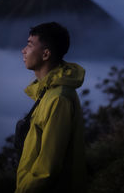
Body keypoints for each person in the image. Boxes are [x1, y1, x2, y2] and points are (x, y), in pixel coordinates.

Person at [15, 22, 86, 193]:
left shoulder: (58, 100)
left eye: (29, 45)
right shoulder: (47, 93)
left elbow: (47, 170)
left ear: (46, 54)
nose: (23, 50)